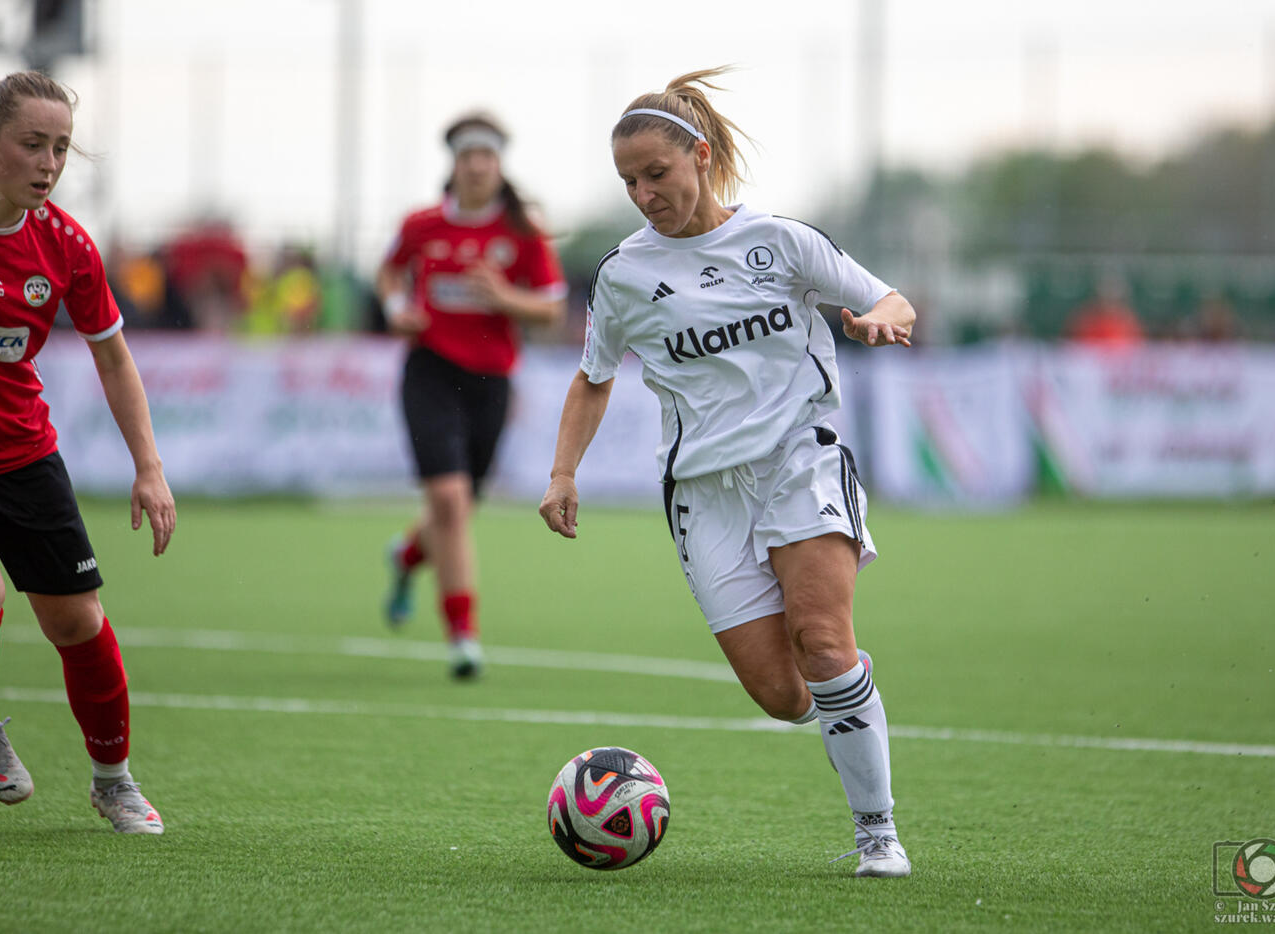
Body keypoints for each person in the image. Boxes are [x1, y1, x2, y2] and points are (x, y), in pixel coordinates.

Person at [538, 68, 917, 877]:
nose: (642, 194)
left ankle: (877, 833)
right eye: (629, 181)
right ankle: (847, 695)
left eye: (656, 175)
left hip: (798, 460)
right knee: (784, 698)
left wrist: (879, 322)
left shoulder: (779, 241)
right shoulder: (623, 276)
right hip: (703, 494)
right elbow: (593, 376)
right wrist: (562, 472)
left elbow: (892, 300)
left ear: (700, 157)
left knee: (822, 639)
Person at [0, 72, 175, 834]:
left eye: (61, 148)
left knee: (77, 622)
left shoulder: (66, 244)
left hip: (22, 453)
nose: (48, 163)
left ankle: (113, 781)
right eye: (32, 144)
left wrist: (149, 468)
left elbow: (113, 357)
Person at [377, 113, 566, 678]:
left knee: (457, 507)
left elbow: (552, 307)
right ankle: (464, 638)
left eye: (488, 155)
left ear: (499, 165)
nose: (478, 164)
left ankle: (409, 556)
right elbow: (388, 274)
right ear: (454, 164)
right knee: (451, 504)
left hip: (491, 383)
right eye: (468, 155)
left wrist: (505, 296)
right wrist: (396, 310)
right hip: (429, 373)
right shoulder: (421, 224)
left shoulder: (522, 232)